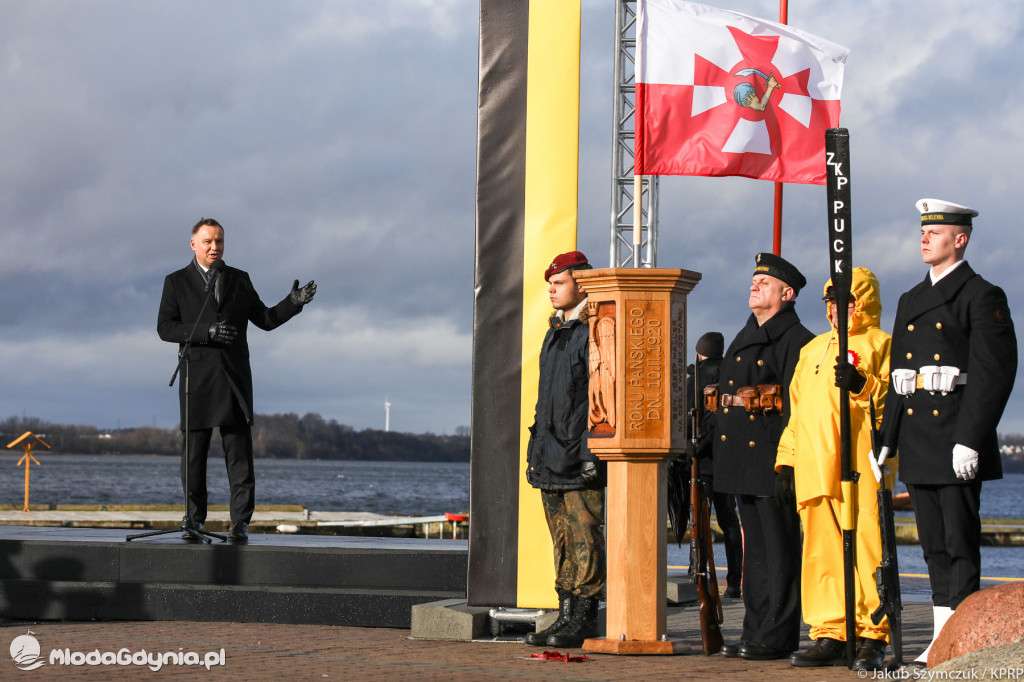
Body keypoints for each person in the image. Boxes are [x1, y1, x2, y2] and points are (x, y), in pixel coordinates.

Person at [876, 199, 1016, 663]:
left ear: (960, 239)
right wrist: (886, 441)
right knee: (933, 544)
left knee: (959, 542)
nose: (923, 238)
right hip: (918, 438)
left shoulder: (981, 294)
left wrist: (971, 437)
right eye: (922, 231)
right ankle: (941, 639)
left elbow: (994, 372)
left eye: (934, 233)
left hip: (956, 434)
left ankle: (961, 639)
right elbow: (900, 378)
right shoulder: (909, 300)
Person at [157, 217, 317, 542]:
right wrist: (207, 332)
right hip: (196, 381)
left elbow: (266, 320)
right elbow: (166, 328)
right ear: (194, 244)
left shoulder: (239, 279)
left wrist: (293, 304)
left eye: (219, 241)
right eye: (208, 242)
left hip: (234, 379)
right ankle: (193, 520)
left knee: (240, 456)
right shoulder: (175, 282)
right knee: (193, 457)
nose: (214, 247)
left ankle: (240, 522)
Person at [776, 267, 893, 670]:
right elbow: (797, 411)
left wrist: (863, 384)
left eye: (846, 301)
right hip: (814, 467)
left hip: (859, 465)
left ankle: (871, 633)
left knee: (867, 549)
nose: (836, 309)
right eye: (830, 302)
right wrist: (787, 460)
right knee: (820, 551)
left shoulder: (880, 344)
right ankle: (829, 630)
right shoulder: (812, 350)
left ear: (863, 303)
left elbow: (894, 406)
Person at [712, 252, 814, 660]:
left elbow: (796, 406)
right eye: (754, 280)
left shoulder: (795, 340)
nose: (754, 286)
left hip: (772, 457)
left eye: (765, 282)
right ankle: (755, 630)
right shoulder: (746, 334)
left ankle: (776, 634)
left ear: (786, 294)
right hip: (740, 456)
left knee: (778, 550)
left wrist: (788, 461)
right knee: (754, 550)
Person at [523, 250, 606, 648]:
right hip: (551, 452)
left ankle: (585, 617)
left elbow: (600, 398)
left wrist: (591, 453)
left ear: (581, 283)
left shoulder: (597, 327)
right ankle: (566, 612)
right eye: (550, 285)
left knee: (584, 534)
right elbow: (546, 400)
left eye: (558, 284)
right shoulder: (556, 330)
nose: (551, 291)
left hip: (578, 454)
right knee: (561, 539)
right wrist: (535, 452)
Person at [685, 331, 743, 598]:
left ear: (699, 351)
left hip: (701, 457)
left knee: (698, 519)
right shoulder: (731, 374)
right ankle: (733, 581)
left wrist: (692, 448)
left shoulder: (694, 379)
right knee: (729, 519)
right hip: (728, 456)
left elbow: (688, 416)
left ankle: (697, 571)